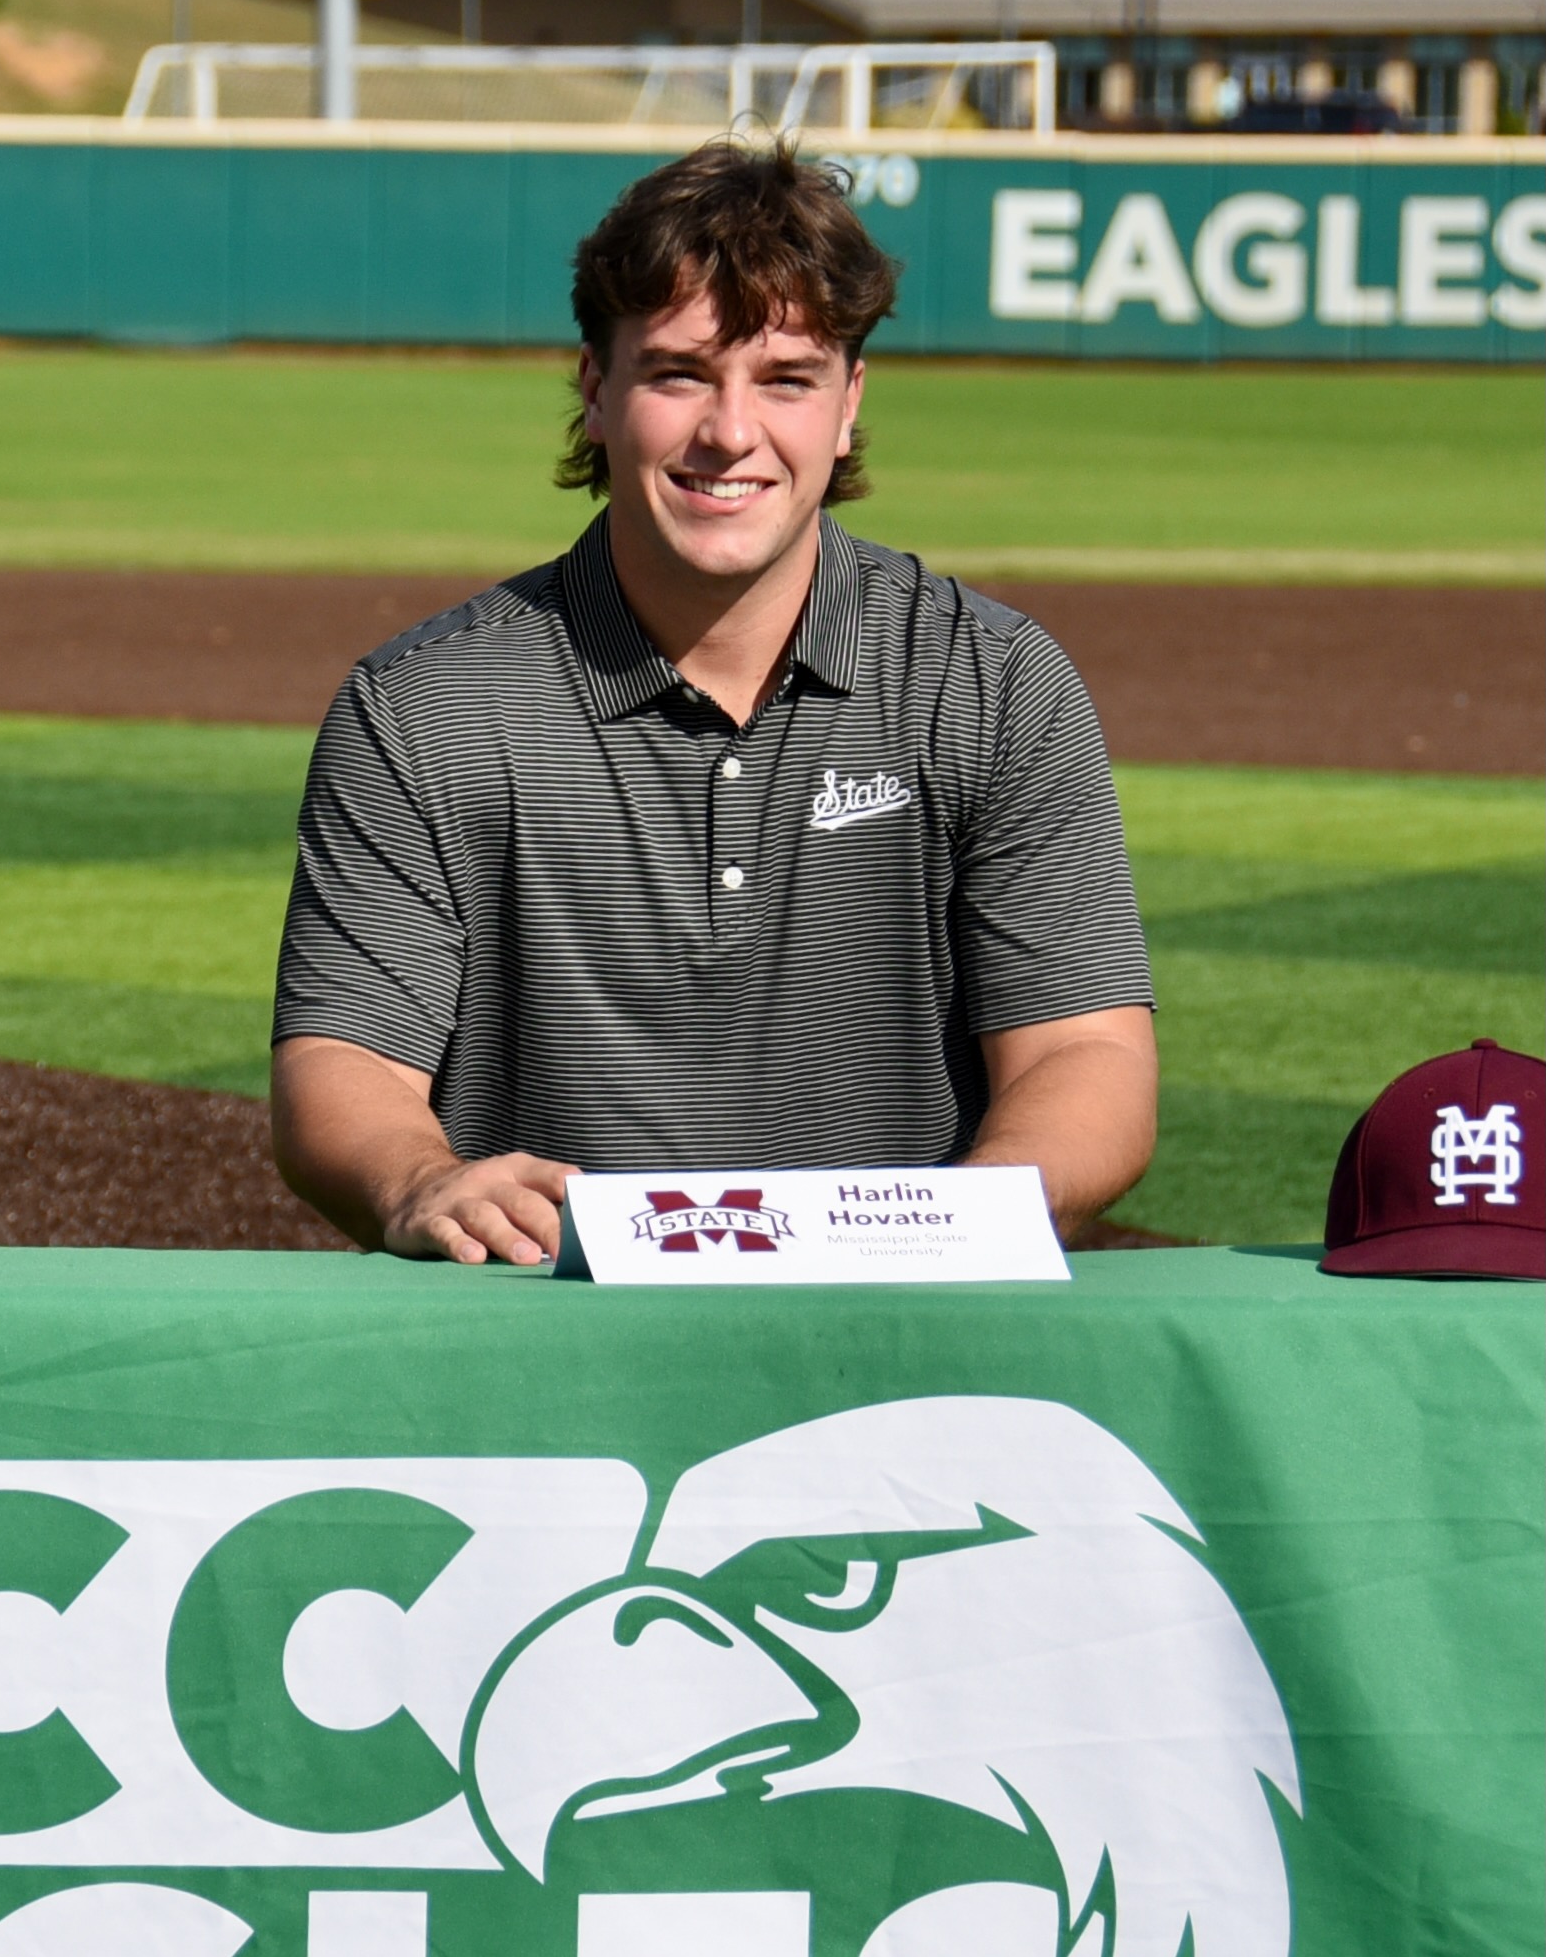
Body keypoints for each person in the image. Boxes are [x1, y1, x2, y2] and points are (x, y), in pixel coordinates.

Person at [271, 141, 1157, 1266]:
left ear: (847, 407)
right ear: (596, 391)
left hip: (898, 1336)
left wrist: (949, 1228)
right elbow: (339, 1064)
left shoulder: (991, 681)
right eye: (681, 373)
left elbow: (1088, 1056)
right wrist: (421, 1180)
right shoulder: (423, 708)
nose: (731, 432)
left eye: (785, 379)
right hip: (540, 1324)